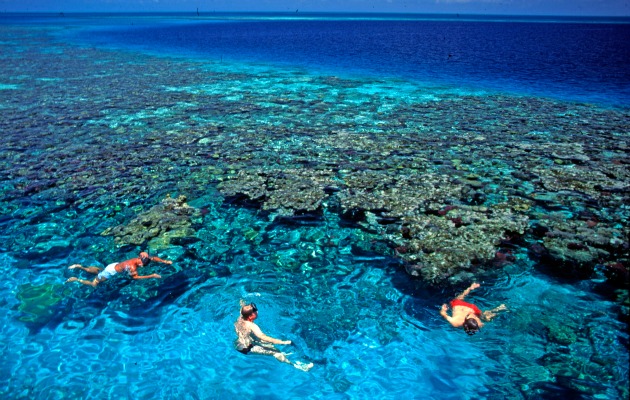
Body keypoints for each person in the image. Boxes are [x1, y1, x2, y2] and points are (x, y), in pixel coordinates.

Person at [234, 300, 313, 372]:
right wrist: (282, 342)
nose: (257, 311)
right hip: (247, 348)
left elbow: (242, 309)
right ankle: (299, 367)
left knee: (270, 345)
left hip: (238, 344)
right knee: (276, 353)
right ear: (250, 316)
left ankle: (286, 355)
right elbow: (263, 336)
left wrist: (242, 302)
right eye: (254, 312)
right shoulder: (252, 326)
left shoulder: (241, 317)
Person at [65, 251, 172, 288]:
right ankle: (76, 279)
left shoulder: (141, 257)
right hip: (111, 272)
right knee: (94, 284)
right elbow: (135, 278)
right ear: (142, 263)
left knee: (99, 271)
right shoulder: (132, 267)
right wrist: (152, 275)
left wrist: (165, 261)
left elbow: (153, 258)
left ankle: (79, 266)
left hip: (114, 265)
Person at [440, 282, 507, 335]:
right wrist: (443, 309)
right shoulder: (455, 322)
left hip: (467, 308)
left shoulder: (456, 323)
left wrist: (443, 309)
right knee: (458, 298)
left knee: (486, 317)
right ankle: (470, 288)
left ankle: (500, 308)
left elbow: (443, 314)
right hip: (465, 306)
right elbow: (443, 314)